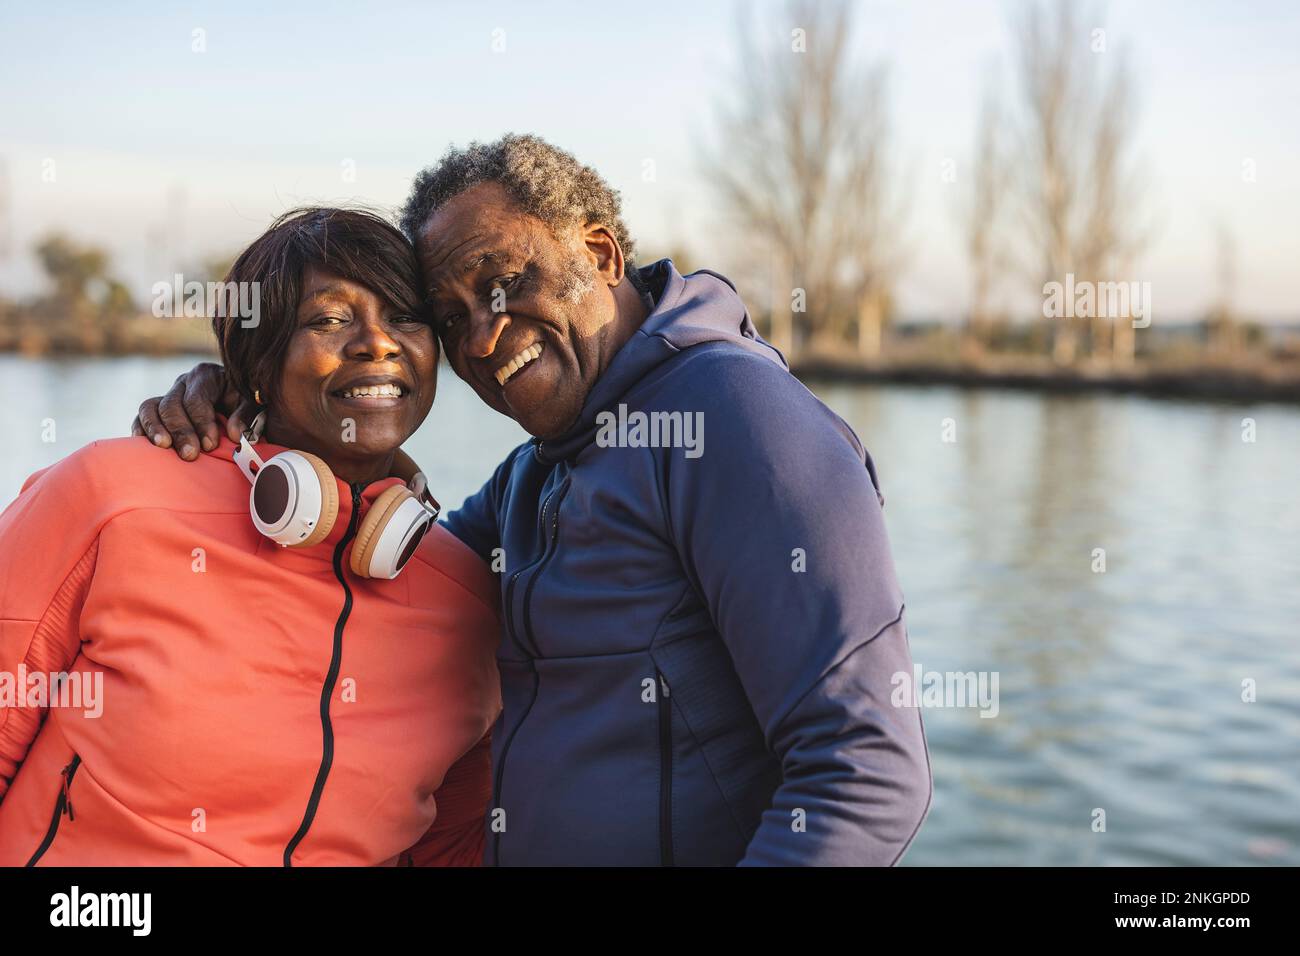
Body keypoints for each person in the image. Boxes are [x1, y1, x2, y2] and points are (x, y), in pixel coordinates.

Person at [134, 134, 932, 866]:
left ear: (600, 252)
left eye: (504, 283)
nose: (481, 337)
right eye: (450, 317)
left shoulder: (736, 420)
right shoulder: (534, 477)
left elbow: (865, 774)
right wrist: (247, 411)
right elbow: (380, 564)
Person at [0, 208, 500, 866]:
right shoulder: (109, 499)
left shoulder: (464, 599)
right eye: (329, 319)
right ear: (256, 361)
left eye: (405, 316)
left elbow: (452, 848)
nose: (377, 343)